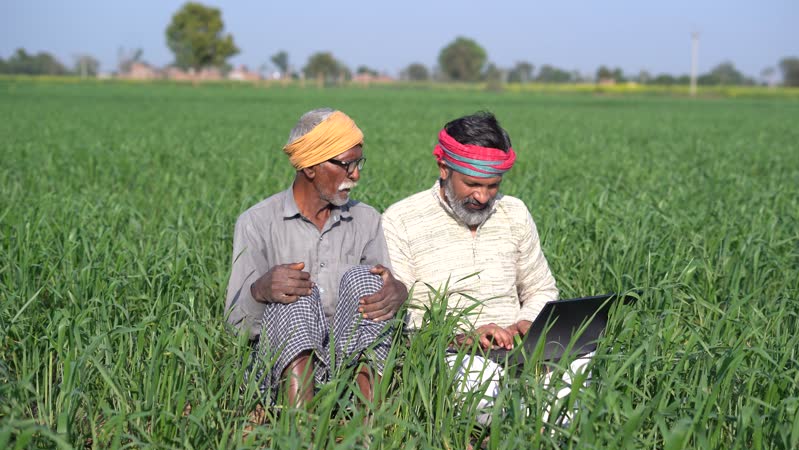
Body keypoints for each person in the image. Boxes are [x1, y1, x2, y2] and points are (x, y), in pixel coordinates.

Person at [381, 111, 591, 425]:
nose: (483, 196)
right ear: (443, 168)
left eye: (493, 186)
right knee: (480, 379)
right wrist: (464, 336)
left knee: (578, 366)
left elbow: (540, 288)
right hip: (450, 353)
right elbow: (405, 311)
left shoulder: (514, 212)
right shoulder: (401, 220)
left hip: (521, 348)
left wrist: (527, 323)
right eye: (472, 184)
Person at [225, 108, 407, 408]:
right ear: (310, 167)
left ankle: (368, 431)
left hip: (346, 365)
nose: (356, 175)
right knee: (293, 291)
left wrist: (396, 292)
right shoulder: (256, 222)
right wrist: (260, 291)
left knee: (367, 280)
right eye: (347, 165)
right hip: (279, 370)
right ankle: (299, 430)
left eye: (358, 163)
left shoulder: (367, 219)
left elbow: (381, 303)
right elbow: (237, 325)